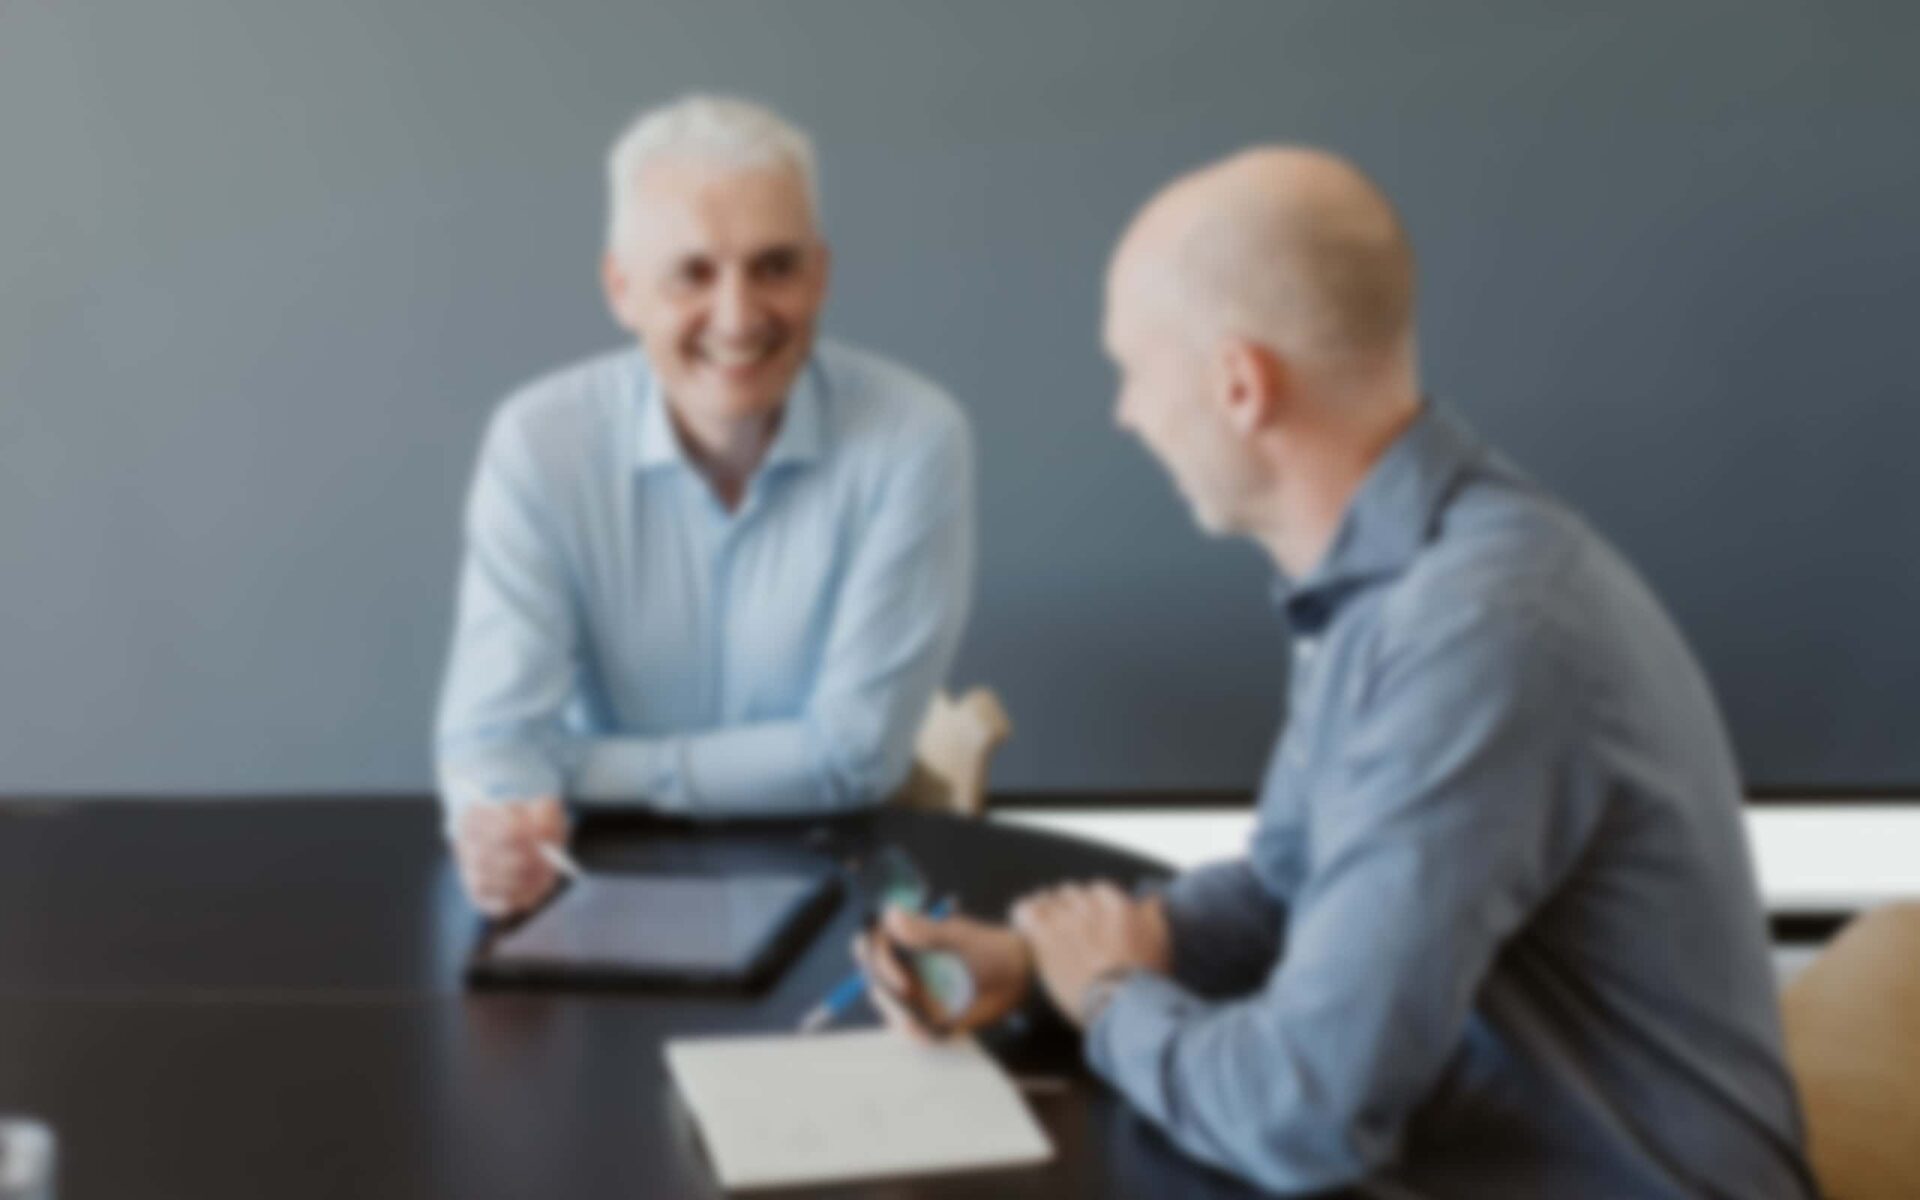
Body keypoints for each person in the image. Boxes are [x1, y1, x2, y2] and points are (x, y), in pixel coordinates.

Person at [859, 147, 1815, 1198]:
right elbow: (1291, 894)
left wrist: (1115, 998)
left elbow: (1306, 1112)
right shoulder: (1387, 580)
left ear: (1238, 384)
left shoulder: (1479, 635)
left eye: (1134, 369)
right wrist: (1038, 963)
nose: (1124, 413)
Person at [435, 95, 973, 917]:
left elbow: (852, 760)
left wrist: (573, 765)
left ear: (821, 274)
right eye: (693, 272)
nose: (739, 316)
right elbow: (493, 745)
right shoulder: (540, 442)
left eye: (775, 266)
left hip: (834, 888)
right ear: (622, 288)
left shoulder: (912, 436)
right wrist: (503, 828)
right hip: (590, 883)